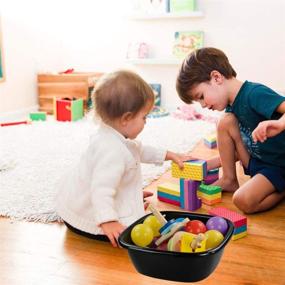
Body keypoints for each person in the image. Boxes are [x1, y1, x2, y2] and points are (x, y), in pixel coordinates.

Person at [56, 70, 193, 247]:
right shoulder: (111, 151)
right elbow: (101, 190)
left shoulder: (115, 135)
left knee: (119, 189)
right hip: (88, 215)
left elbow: (138, 151)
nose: (146, 122)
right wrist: (108, 221)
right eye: (144, 117)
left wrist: (169, 155)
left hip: (84, 198)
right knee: (128, 231)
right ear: (126, 119)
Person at [176, 47, 285, 214]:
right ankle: (229, 179)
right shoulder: (231, 107)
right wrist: (201, 164)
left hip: (278, 165)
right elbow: (233, 151)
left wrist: (280, 124)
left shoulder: (254, 94)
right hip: (257, 161)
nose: (203, 105)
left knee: (243, 201)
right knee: (224, 122)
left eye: (201, 97)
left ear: (216, 77)